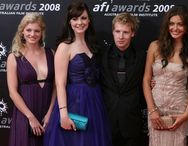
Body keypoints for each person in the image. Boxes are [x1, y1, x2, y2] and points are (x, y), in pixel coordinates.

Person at [43, 1, 112, 146]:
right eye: (75, 19)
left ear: (89, 20)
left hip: (95, 101)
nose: (79, 22)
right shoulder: (64, 47)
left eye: (83, 18)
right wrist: (63, 114)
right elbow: (60, 84)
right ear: (69, 22)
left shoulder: (93, 44)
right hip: (74, 102)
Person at [142, 6, 188, 146]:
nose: (175, 28)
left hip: (179, 111)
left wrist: (186, 114)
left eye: (180, 24)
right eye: (171, 23)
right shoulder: (155, 46)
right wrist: (152, 110)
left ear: (187, 27)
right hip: (156, 110)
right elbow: (146, 80)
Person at [7, 12, 56, 146]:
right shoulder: (14, 57)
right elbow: (13, 92)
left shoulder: (51, 53)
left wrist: (50, 113)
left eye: (36, 31)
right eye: (28, 30)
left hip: (48, 114)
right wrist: (31, 117)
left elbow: (56, 87)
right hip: (25, 115)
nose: (32, 34)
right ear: (22, 31)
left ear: (42, 33)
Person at [98, 12, 146, 146]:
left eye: (125, 32)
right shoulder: (101, 56)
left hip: (132, 124)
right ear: (112, 32)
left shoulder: (142, 57)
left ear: (133, 33)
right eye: (117, 31)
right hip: (106, 122)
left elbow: (147, 83)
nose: (120, 36)